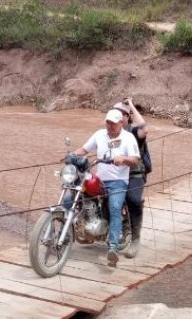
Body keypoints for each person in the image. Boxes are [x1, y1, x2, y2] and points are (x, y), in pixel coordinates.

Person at [73, 108, 140, 267]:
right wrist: (71, 155)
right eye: (108, 122)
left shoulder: (128, 137)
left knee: (115, 207)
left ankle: (113, 248)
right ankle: (67, 234)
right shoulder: (99, 134)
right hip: (100, 179)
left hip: (118, 181)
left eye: (113, 123)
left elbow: (135, 160)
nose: (110, 126)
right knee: (75, 196)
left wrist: (122, 158)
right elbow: (84, 150)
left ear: (121, 123)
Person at [112, 98, 151, 259]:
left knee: (133, 199)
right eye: (116, 113)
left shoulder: (134, 132)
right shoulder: (111, 133)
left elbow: (145, 128)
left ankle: (135, 239)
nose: (119, 117)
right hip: (115, 173)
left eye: (123, 114)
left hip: (134, 174)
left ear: (127, 118)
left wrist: (131, 106)